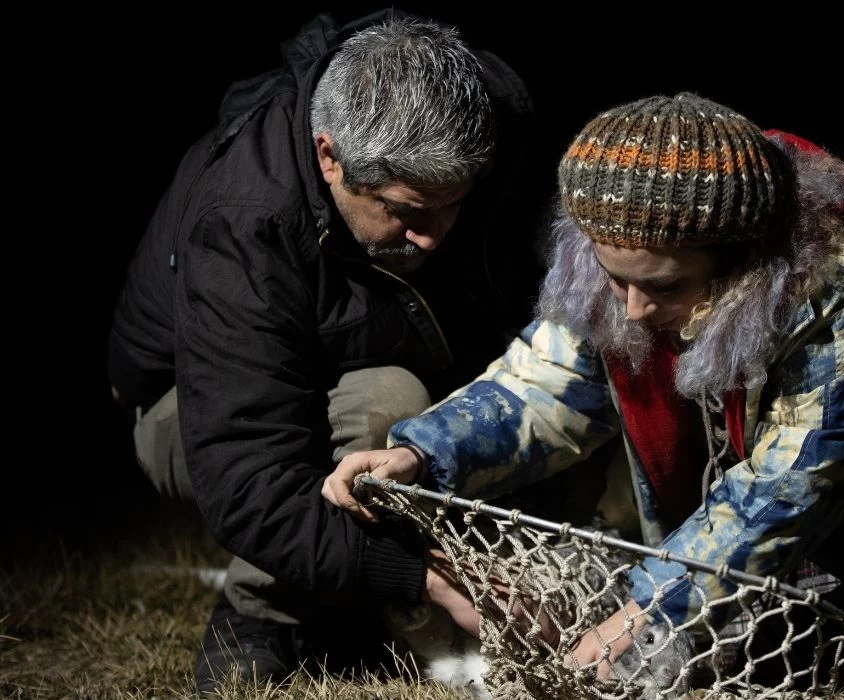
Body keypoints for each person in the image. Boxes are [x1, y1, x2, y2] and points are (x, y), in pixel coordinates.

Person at [323, 92, 844, 679]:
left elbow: (797, 478)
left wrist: (652, 608)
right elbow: (544, 385)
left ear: (742, 265)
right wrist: (421, 451)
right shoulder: (609, 257)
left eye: (667, 287)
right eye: (616, 280)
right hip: (681, 533)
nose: (632, 310)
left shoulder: (836, 277)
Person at [106, 7, 542, 692]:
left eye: (454, 203)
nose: (433, 237)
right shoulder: (244, 220)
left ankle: (343, 599)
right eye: (405, 211)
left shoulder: (491, 129)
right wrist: (419, 575)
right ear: (328, 155)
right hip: (185, 414)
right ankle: (259, 616)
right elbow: (249, 476)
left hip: (354, 366)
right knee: (387, 404)